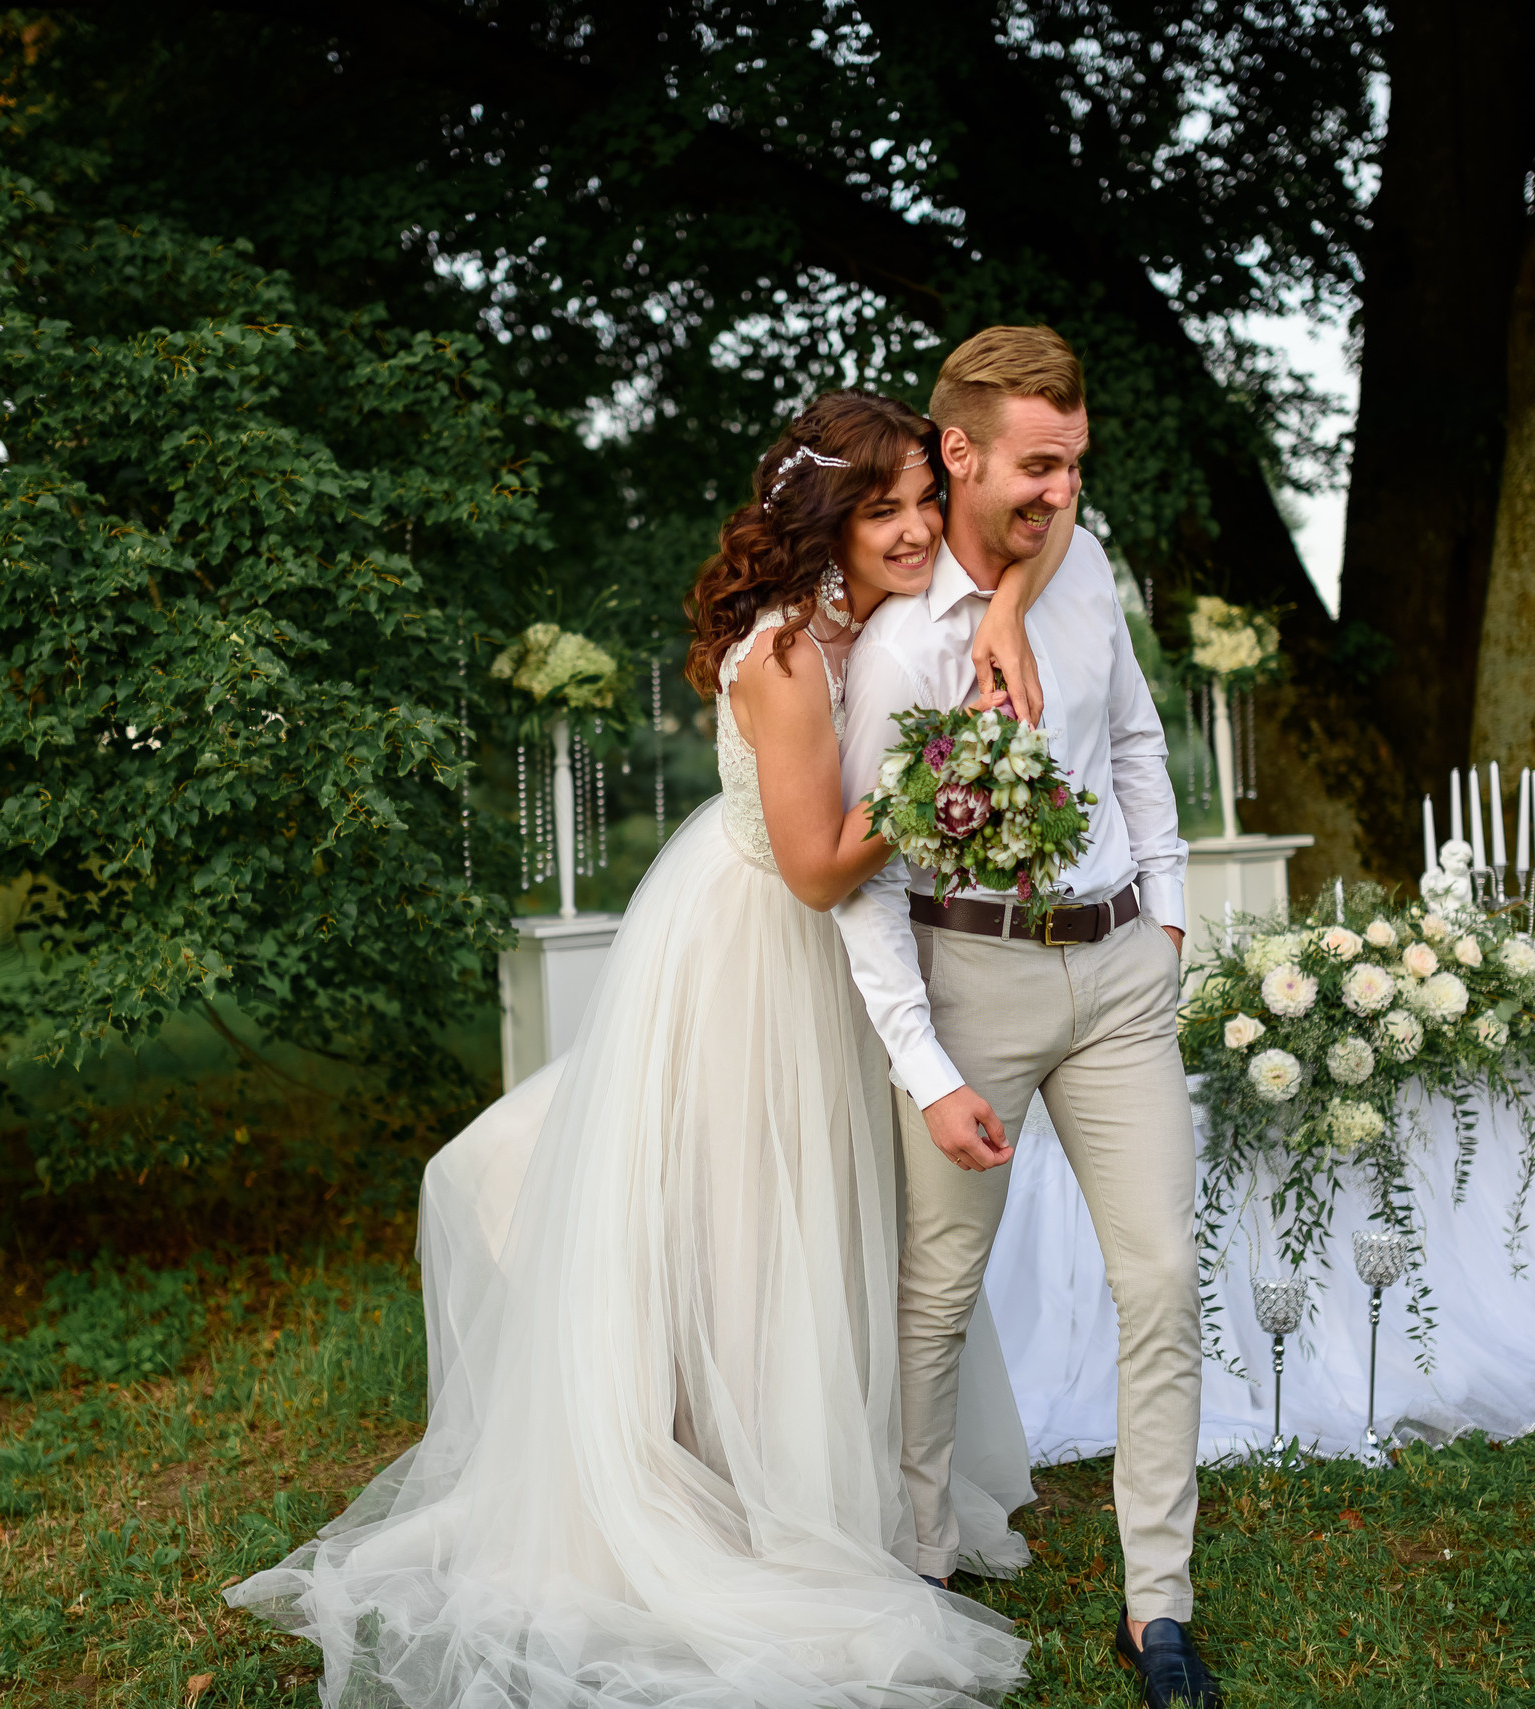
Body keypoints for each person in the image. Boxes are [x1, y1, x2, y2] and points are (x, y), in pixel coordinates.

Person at [225, 389, 1070, 1709]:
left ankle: (833, 1471)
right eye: (882, 507)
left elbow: (1044, 524)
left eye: (921, 499)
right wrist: (944, 781)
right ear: (821, 522)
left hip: (851, 954)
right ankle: (733, 1495)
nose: (915, 529)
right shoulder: (787, 654)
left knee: (824, 1218)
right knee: (738, 1223)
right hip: (758, 952)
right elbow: (808, 868)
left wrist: (1006, 614)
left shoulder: (888, 623)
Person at [834, 326, 1220, 1709]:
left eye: (1076, 463)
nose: (1061, 490)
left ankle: (1157, 1604)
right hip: (969, 979)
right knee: (937, 1293)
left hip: (1119, 970)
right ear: (960, 453)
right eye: (1038, 465)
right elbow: (864, 890)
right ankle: (922, 1565)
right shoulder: (895, 651)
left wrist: (1167, 918)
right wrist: (927, 1065)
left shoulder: (1085, 561)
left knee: (1163, 1278)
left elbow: (1132, 744)